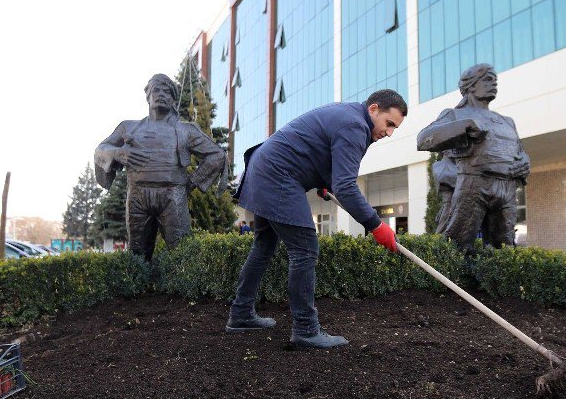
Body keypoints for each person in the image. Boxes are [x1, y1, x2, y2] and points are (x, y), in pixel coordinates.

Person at [227, 89, 407, 348]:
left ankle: (241, 313)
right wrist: (376, 225)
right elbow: (345, 186)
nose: (389, 133)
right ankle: (306, 330)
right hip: (278, 174)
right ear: (374, 109)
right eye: (389, 124)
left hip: (264, 167)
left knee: (264, 246)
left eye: (395, 129)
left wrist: (323, 182)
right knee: (305, 249)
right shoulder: (355, 126)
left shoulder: (348, 115)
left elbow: (317, 153)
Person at [94, 73, 226, 261]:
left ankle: (179, 281)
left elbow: (217, 155)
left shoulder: (185, 130)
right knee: (137, 256)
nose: (161, 94)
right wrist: (117, 153)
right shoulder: (128, 127)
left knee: (182, 254)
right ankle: (140, 280)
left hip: (173, 196)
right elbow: (101, 149)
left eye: (167, 92)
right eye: (156, 90)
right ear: (148, 96)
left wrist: (191, 183)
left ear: (173, 100)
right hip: (138, 197)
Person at [417, 63, 530, 250]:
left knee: (504, 248)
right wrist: (464, 126)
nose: (494, 83)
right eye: (488, 79)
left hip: (506, 188)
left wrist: (525, 162)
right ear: (470, 85)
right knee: (457, 246)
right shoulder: (456, 115)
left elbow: (520, 151)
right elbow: (423, 139)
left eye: (495, 80)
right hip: (474, 184)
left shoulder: (507, 122)